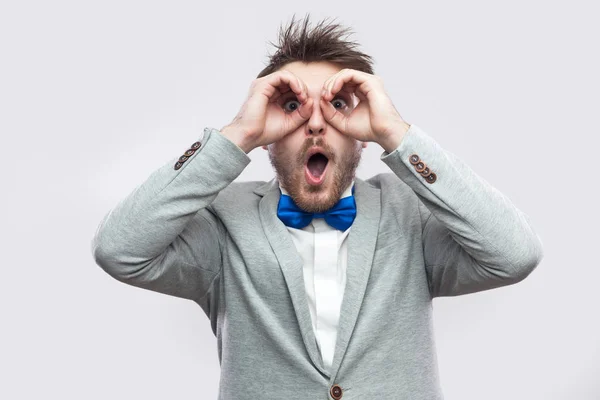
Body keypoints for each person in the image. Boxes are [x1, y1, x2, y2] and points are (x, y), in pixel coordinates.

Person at [91, 13, 544, 400]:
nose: (313, 125)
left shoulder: (410, 213)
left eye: (337, 106)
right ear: (268, 132)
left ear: (361, 131)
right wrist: (236, 135)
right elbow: (119, 250)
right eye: (290, 106)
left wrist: (397, 133)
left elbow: (515, 254)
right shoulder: (223, 221)